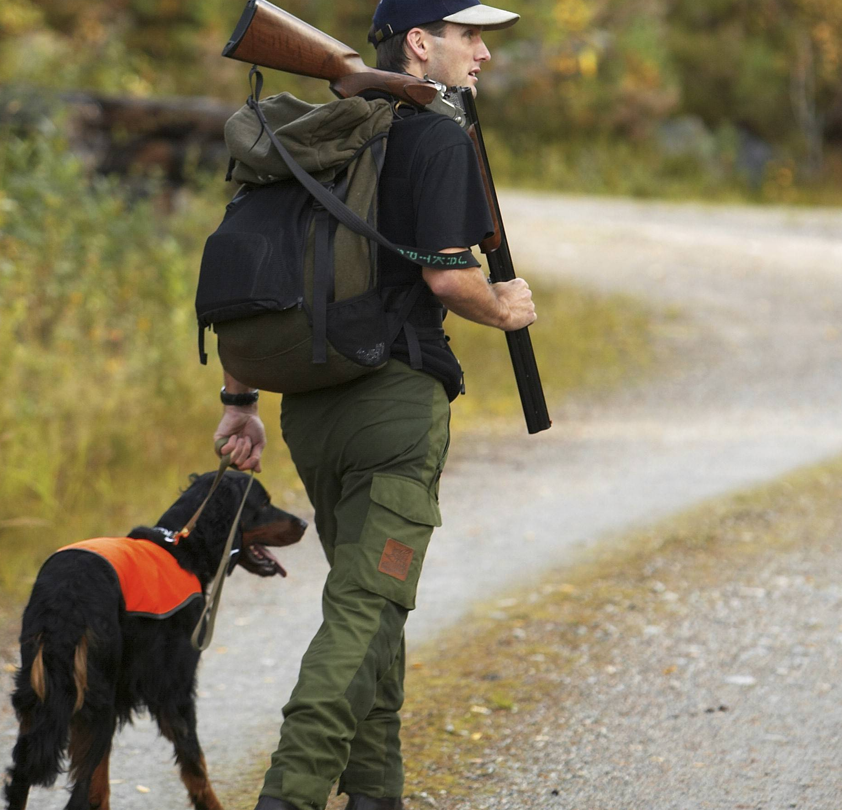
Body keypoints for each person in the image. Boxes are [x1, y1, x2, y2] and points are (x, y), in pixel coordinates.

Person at [214, 2, 536, 808]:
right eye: (470, 36)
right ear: (421, 43)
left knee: (374, 612)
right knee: (366, 608)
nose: (484, 55)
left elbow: (263, 265)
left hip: (310, 411)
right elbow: (448, 278)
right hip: (395, 407)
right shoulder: (435, 137)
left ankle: (375, 796)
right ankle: (287, 794)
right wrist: (505, 309)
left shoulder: (325, 136)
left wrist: (238, 398)